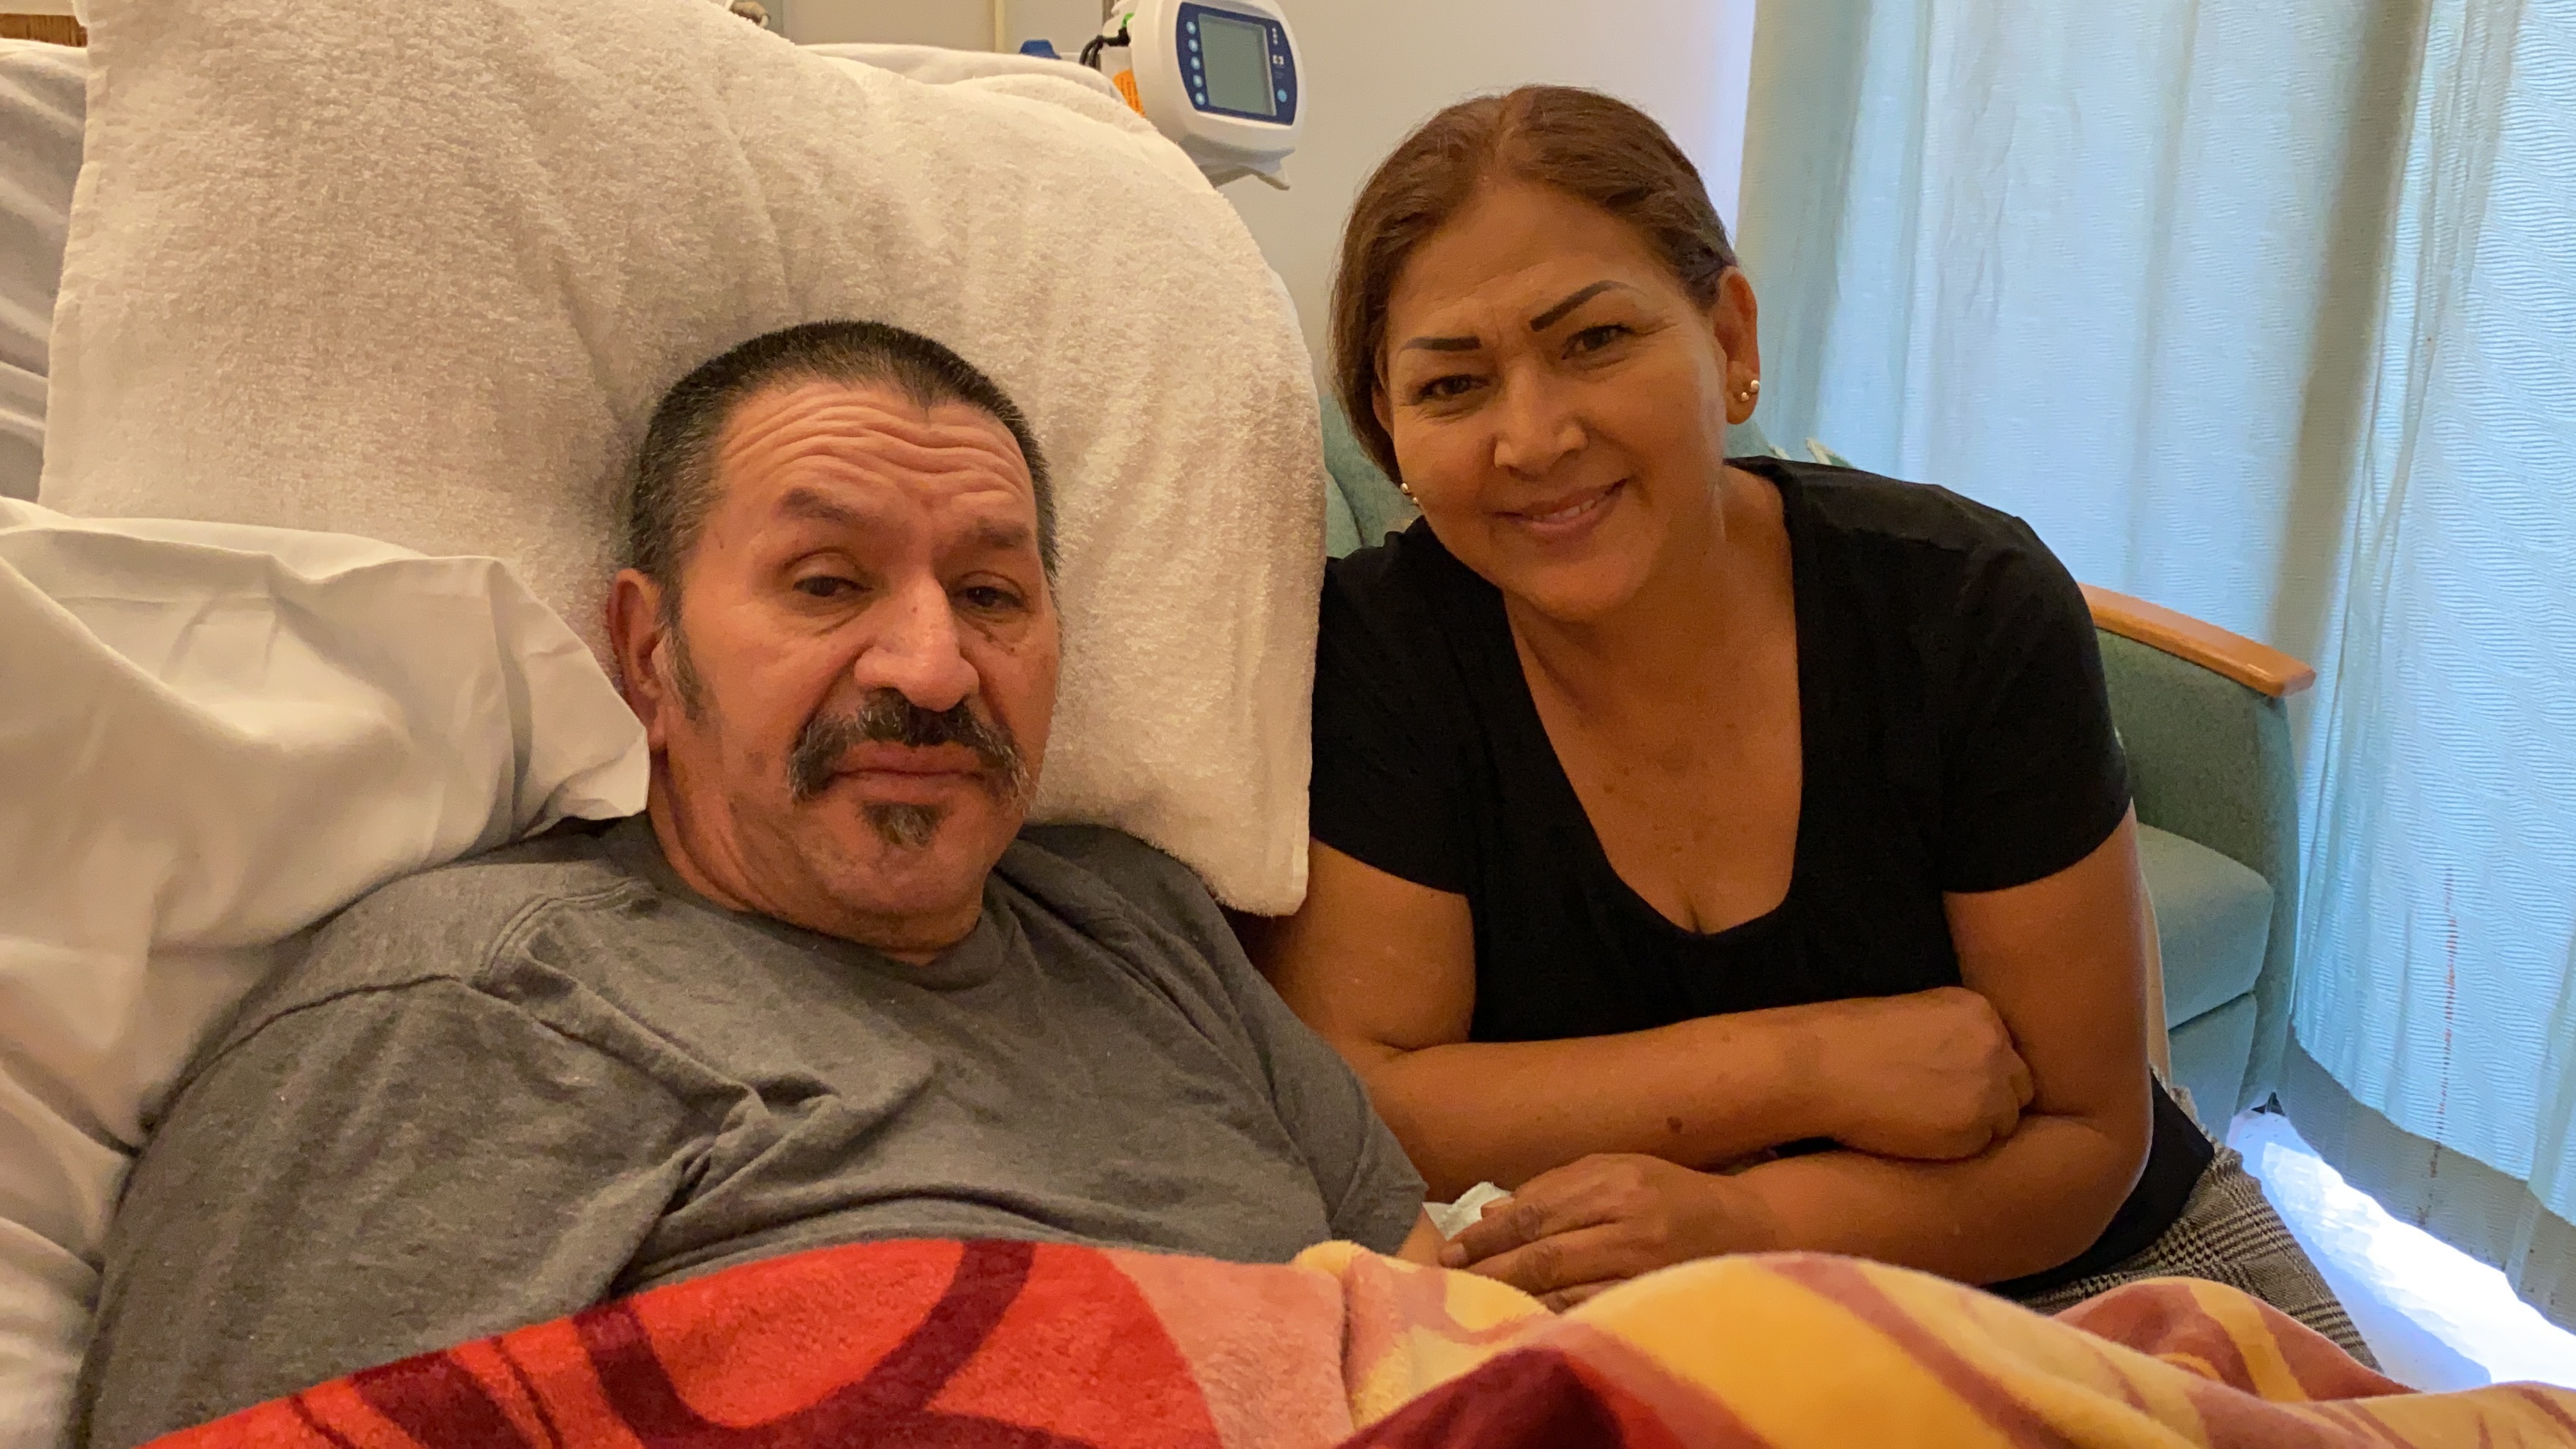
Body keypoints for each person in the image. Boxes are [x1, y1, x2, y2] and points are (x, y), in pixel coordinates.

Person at [75, 321, 1431, 1448]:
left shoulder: (1142, 929)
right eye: (828, 583)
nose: (934, 668)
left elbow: (1426, 1319)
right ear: (650, 656)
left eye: (994, 596)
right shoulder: (470, 1012)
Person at [1254, 86, 2367, 1357]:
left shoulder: (1967, 608)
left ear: (1730, 338)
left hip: (2080, 1262)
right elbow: (1369, 1094)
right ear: (1387, 429)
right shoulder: (1378, 658)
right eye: (1453, 386)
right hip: (1648, 1301)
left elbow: (2088, 1143)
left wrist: (1741, 1222)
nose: (1533, 436)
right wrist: (1813, 1063)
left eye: (1597, 340)